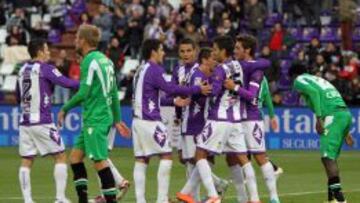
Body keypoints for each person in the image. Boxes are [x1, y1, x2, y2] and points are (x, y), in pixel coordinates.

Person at [57, 24, 130, 203]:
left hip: (95, 118)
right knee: (75, 158)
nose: (75, 41)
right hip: (99, 117)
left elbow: (83, 92)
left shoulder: (89, 60)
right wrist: (118, 119)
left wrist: (65, 108)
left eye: (76, 38)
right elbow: (113, 92)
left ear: (83, 40)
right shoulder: (106, 60)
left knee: (99, 161)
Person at [132, 38, 211, 203]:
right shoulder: (155, 69)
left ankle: (140, 200)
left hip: (137, 121)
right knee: (167, 156)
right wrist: (197, 89)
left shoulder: (140, 68)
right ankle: (162, 200)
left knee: (141, 159)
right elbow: (170, 89)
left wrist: (174, 102)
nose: (163, 53)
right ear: (153, 52)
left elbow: (156, 95)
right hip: (150, 120)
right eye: (161, 49)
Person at [17, 39, 79, 203]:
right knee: (60, 156)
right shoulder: (46, 68)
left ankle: (28, 200)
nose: (49, 52)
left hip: (25, 122)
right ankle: (60, 198)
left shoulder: (22, 69)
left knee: (27, 160)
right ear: (39, 52)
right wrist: (87, 84)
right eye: (46, 49)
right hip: (42, 121)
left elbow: (18, 95)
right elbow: (67, 83)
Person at [224, 35, 280, 203]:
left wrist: (234, 87)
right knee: (233, 158)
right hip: (236, 118)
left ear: (247, 50)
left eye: (238, 48)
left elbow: (254, 98)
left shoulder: (256, 71)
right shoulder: (237, 67)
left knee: (260, 157)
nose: (234, 51)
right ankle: (245, 198)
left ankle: (273, 198)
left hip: (251, 119)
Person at [289, 63, 353, 203]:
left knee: (327, 158)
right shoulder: (319, 79)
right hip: (344, 114)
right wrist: (346, 132)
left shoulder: (299, 80)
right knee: (331, 158)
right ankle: (332, 199)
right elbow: (334, 98)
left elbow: (314, 93)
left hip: (332, 116)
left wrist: (318, 118)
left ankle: (340, 199)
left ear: (293, 75)